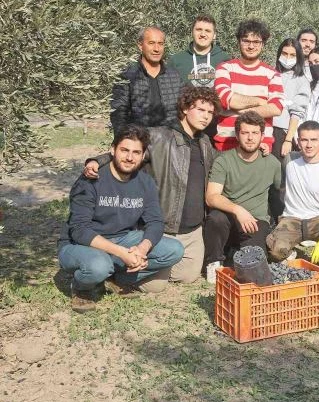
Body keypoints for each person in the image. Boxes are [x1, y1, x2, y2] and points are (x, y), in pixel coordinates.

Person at [83, 87, 220, 286]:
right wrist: (97, 160)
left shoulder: (205, 143)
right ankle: (117, 271)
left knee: (187, 277)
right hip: (161, 229)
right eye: (200, 110)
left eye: (210, 112)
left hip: (192, 232)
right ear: (184, 109)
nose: (206, 116)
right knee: (154, 286)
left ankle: (157, 265)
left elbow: (224, 163)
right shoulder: (158, 137)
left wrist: (253, 147)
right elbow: (127, 153)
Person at [59, 124, 184, 312]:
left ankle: (116, 279)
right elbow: (79, 230)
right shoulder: (90, 179)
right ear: (112, 150)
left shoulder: (145, 182)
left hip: (123, 238)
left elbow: (155, 221)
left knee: (174, 249)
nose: (129, 157)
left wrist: (142, 249)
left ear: (143, 156)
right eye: (124, 150)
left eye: (136, 152)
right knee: (99, 265)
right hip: (80, 244)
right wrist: (120, 252)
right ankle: (81, 288)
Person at [203, 112, 282, 284]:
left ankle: (235, 251)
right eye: (245, 133)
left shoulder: (272, 163)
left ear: (262, 136)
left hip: (255, 221)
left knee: (252, 266)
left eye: (255, 133)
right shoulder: (224, 161)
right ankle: (214, 262)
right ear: (237, 135)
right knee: (215, 219)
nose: (250, 138)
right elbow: (211, 197)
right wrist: (238, 210)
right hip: (228, 218)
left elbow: (282, 191)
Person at [266, 121, 319, 265]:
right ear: (298, 141)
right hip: (291, 219)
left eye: (314, 140)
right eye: (304, 140)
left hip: (318, 219)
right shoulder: (289, 160)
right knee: (275, 250)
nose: (309, 145)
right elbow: (280, 186)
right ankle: (289, 251)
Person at [213, 19, 284, 152]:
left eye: (256, 42)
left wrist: (236, 110)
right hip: (227, 145)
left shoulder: (273, 74)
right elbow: (225, 98)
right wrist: (259, 101)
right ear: (239, 41)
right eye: (246, 41)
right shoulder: (224, 68)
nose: (251, 46)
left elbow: (276, 108)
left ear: (263, 44)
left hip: (260, 147)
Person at [110, 26, 184, 134]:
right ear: (140, 45)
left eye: (160, 43)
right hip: (139, 142)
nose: (156, 49)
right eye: (151, 43)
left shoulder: (174, 76)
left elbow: (185, 108)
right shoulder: (128, 75)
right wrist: (123, 139)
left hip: (171, 143)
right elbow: (118, 113)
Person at [270, 37, 311, 219]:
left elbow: (297, 112)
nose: (287, 58)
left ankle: (281, 220)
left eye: (292, 55)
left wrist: (288, 139)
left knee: (280, 182)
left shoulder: (301, 79)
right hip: (265, 131)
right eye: (284, 54)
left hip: (282, 134)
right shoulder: (271, 74)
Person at [168, 15, 231, 89]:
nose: (203, 34)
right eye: (199, 29)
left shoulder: (225, 60)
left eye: (208, 31)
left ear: (214, 35)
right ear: (192, 32)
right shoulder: (176, 61)